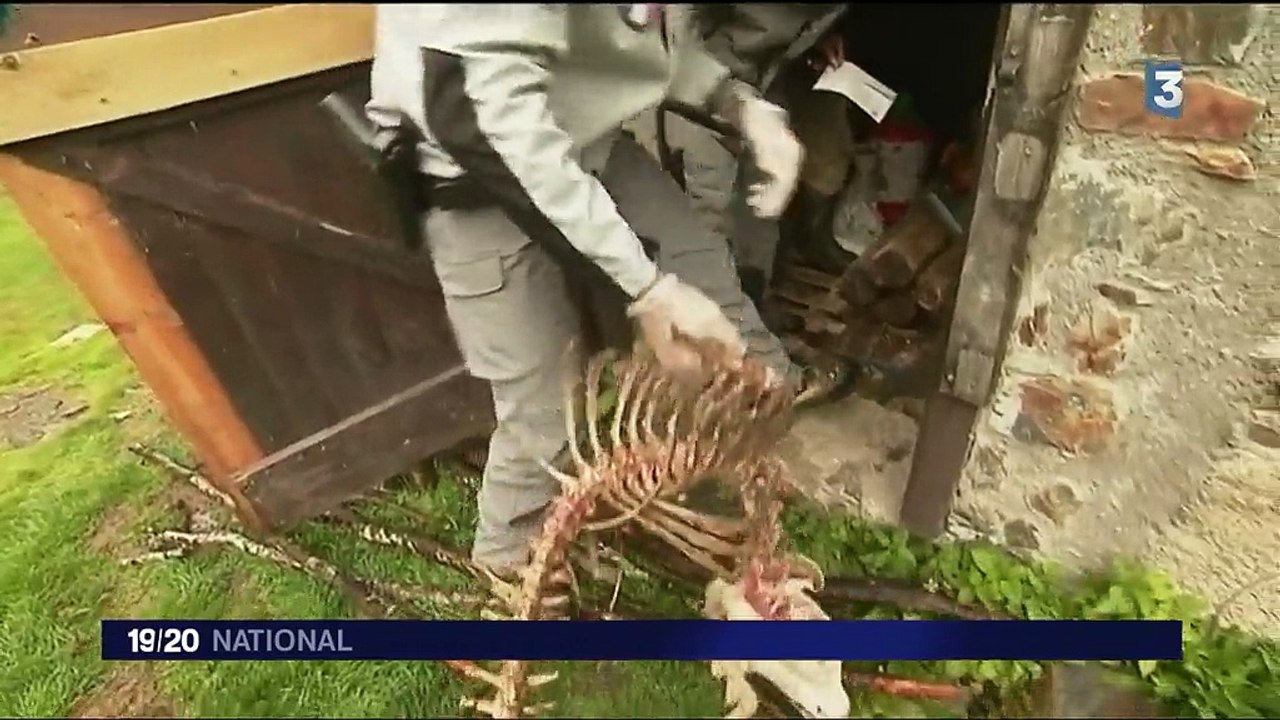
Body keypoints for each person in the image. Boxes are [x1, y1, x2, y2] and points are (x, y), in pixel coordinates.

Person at [367, 4, 846, 573]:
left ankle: (741, 485)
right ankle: (509, 578)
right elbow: (482, 123)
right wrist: (647, 289)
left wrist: (739, 104)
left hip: (588, 139)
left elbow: (636, 29)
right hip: (474, 176)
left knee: (712, 294)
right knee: (543, 415)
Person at [664, 4, 850, 304]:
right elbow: (665, 34)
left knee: (759, 217)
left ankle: (747, 308)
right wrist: (716, 88)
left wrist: (815, 37)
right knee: (703, 216)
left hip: (762, 84)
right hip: (697, 82)